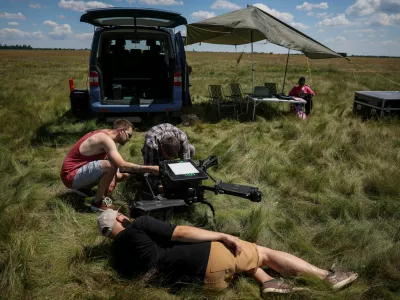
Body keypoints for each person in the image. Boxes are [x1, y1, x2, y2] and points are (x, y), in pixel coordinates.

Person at [97, 210, 358, 296]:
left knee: (239, 258)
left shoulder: (117, 260)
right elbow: (183, 232)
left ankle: (268, 281)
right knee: (260, 251)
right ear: (120, 217)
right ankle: (326, 276)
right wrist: (222, 234)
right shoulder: (140, 224)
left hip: (200, 286)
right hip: (205, 261)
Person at [60, 119, 159, 212]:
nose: (129, 139)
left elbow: (112, 161)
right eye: (129, 135)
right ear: (121, 131)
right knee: (110, 167)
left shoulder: (107, 134)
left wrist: (113, 178)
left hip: (77, 173)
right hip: (70, 176)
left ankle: (84, 189)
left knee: (120, 175)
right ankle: (97, 203)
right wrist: (151, 168)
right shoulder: (105, 139)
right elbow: (122, 166)